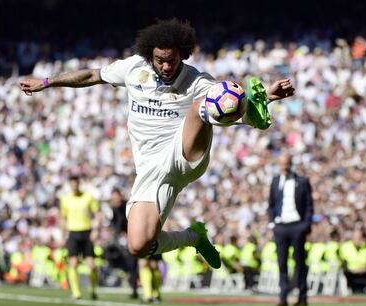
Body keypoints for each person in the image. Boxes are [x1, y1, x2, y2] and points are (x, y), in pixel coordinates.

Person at [19, 18, 294, 270]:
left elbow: (226, 106)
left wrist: (264, 98)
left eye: (171, 60)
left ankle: (254, 107)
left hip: (183, 154)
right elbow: (93, 75)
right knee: (139, 245)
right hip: (150, 170)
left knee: (205, 103)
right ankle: (193, 237)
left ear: (182, 55)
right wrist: (47, 82)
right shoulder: (133, 69)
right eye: (159, 59)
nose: (165, 66)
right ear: (150, 54)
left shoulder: (197, 81)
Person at [267, 153, 313, 306]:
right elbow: (271, 204)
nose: (284, 167)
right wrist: (272, 223)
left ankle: (302, 296)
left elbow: (309, 205)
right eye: (282, 164)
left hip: (297, 225)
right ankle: (283, 296)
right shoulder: (275, 182)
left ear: (291, 164)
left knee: (299, 262)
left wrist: (305, 224)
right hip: (281, 226)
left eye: (287, 164)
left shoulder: (302, 181)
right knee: (282, 262)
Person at [60, 175, 101, 299]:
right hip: (73, 233)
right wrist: (63, 234)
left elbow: (97, 214)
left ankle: (93, 289)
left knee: (92, 265)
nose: (74, 185)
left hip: (87, 232)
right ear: (69, 185)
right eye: (72, 183)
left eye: (76, 183)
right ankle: (76, 292)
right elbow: (63, 217)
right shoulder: (65, 199)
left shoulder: (88, 197)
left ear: (79, 184)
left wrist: (96, 230)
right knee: (73, 263)